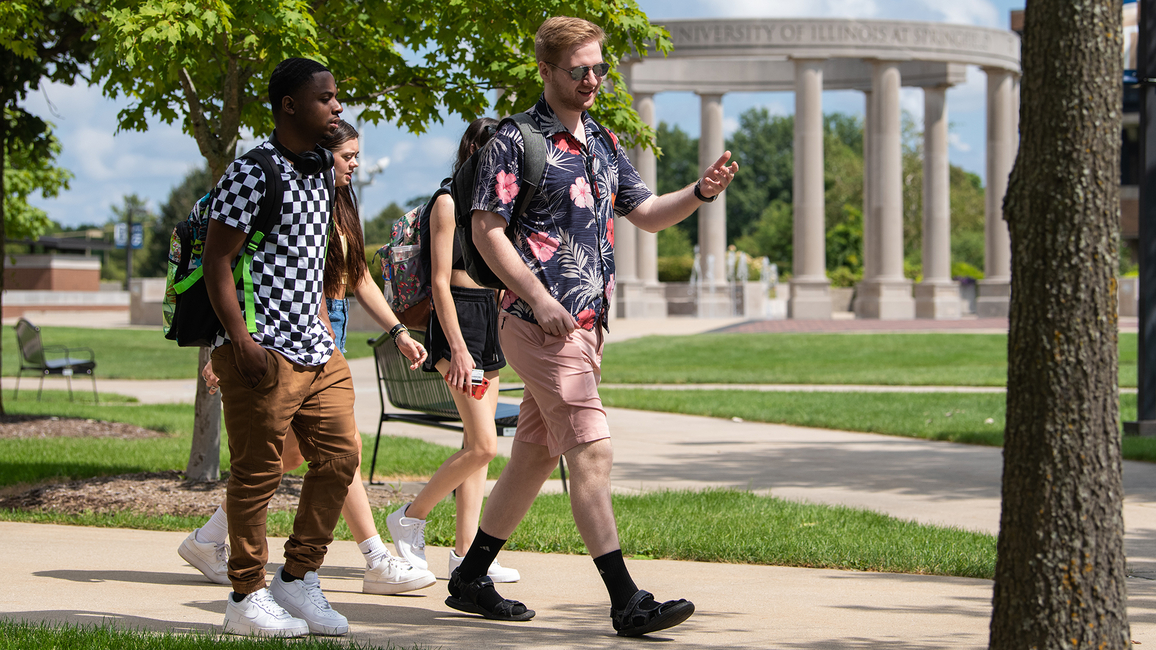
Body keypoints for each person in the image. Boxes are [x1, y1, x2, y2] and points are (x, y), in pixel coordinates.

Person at [447, 16, 738, 637]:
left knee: (530, 455)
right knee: (593, 450)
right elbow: (485, 230)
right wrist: (537, 296)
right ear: (546, 71)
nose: (592, 80)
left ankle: (471, 578)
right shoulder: (515, 139)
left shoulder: (603, 142)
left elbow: (650, 214)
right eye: (579, 69)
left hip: (585, 325)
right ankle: (626, 600)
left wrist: (700, 192)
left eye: (599, 69)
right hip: (539, 324)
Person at [178, 119, 436, 601]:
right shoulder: (287, 191)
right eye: (348, 156)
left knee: (308, 454)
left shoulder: (338, 203)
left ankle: (211, 538)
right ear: (323, 153)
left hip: (324, 325)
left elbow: (358, 276)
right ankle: (372, 557)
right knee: (335, 450)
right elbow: (260, 272)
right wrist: (232, 344)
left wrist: (397, 331)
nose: (356, 164)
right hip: (297, 329)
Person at [200, 57, 363, 638]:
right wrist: (240, 342)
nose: (337, 106)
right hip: (263, 349)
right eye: (326, 98)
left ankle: (296, 580)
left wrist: (321, 324)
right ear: (290, 105)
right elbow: (216, 260)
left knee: (341, 457)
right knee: (257, 474)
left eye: (337, 96)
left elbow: (310, 260)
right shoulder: (252, 172)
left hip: (317, 346)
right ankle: (245, 594)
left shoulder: (323, 168)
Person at [385, 118, 520, 584]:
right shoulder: (447, 202)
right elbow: (439, 283)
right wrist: (458, 350)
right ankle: (410, 515)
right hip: (456, 321)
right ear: (476, 150)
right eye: (498, 150)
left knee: (475, 442)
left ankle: (466, 555)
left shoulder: (497, 204)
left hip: (487, 317)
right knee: (484, 445)